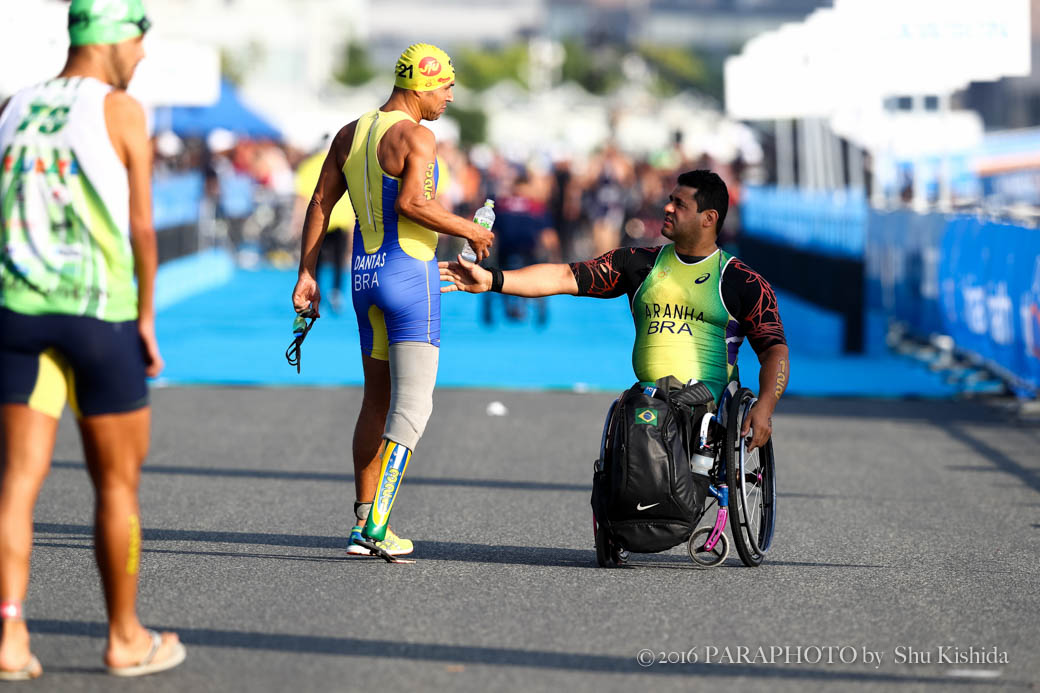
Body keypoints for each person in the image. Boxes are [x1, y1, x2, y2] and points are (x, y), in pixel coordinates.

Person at [0, 0, 185, 680]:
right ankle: (124, 636)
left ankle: (10, 636)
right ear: (111, 38)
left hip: (17, 313)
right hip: (98, 316)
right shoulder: (121, 110)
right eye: (138, 41)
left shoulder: (14, 105)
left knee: (16, 485)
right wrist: (145, 318)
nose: (140, 56)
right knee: (117, 485)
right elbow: (141, 226)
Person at [291, 44, 494, 558]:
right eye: (446, 86)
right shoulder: (416, 136)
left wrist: (307, 273)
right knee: (414, 405)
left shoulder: (350, 132)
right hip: (409, 279)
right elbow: (412, 203)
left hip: (364, 277)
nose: (449, 97)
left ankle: (363, 518)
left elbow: (320, 203)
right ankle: (378, 524)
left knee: (374, 401)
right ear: (422, 84)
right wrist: (469, 228)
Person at [441, 170, 789, 450]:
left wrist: (765, 406)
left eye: (679, 204)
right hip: (650, 403)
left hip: (711, 411)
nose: (667, 208)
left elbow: (774, 348)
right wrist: (491, 280)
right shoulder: (638, 264)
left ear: (708, 218)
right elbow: (565, 275)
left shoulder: (742, 281)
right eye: (669, 200)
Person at [293, 139, 356, 313]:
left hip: (316, 220)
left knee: (314, 261)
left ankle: (313, 292)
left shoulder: (308, 166)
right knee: (338, 260)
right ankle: (335, 293)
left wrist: (296, 221)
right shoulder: (344, 163)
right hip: (341, 219)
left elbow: (302, 197)